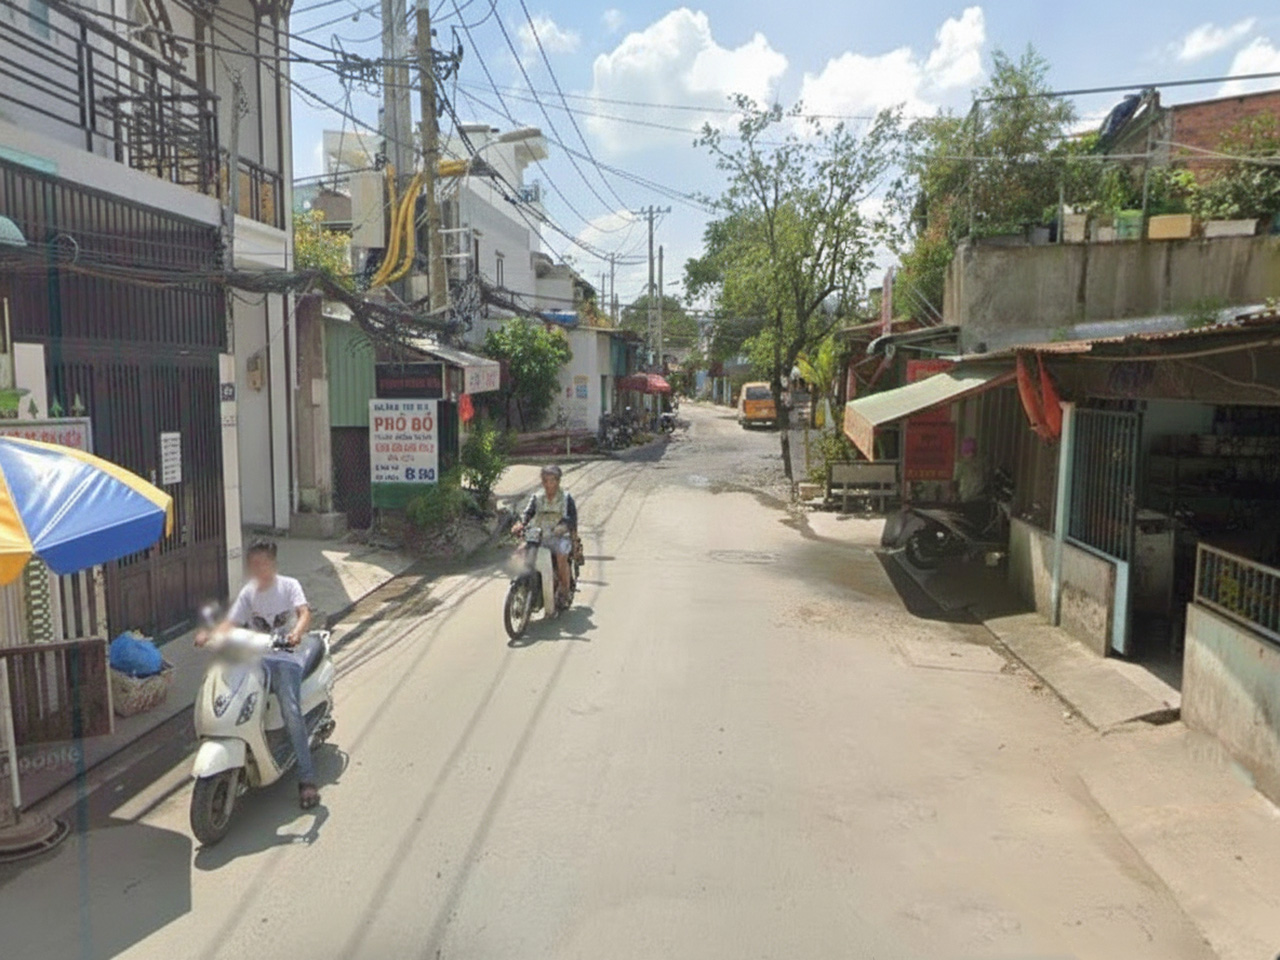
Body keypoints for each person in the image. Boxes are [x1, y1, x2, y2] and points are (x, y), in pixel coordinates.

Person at [198, 540, 320, 809]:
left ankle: (307, 778)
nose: (257, 568)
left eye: (262, 563)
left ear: (272, 564)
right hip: (255, 658)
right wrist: (210, 634)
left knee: (290, 710)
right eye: (253, 564)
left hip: (285, 658)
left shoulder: (289, 586)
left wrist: (296, 633)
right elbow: (230, 623)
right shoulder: (249, 593)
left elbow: (304, 613)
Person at [512, 465, 578, 618]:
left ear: (558, 481)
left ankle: (564, 590)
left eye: (552, 480)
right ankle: (520, 591)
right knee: (520, 552)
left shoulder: (566, 498)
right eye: (545, 480)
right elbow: (528, 513)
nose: (548, 484)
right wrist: (520, 524)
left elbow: (571, 519)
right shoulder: (537, 497)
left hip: (559, 537)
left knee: (561, 555)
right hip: (538, 535)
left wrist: (563, 527)